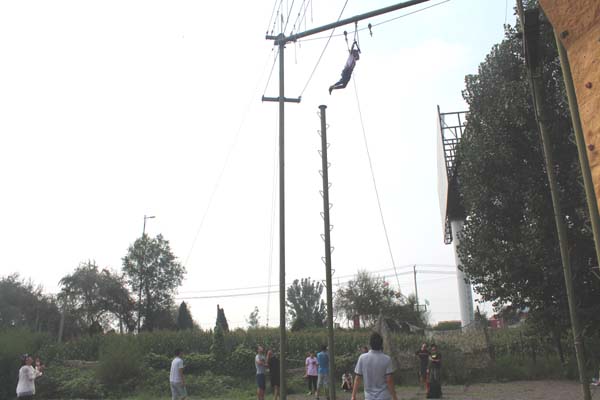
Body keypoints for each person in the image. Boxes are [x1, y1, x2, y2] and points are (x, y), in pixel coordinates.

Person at [351, 332, 398, 400]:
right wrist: (394, 396)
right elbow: (389, 380)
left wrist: (353, 396)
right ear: (381, 344)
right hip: (384, 396)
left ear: (370, 344)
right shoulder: (387, 359)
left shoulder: (362, 358)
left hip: (369, 397)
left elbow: (357, 379)